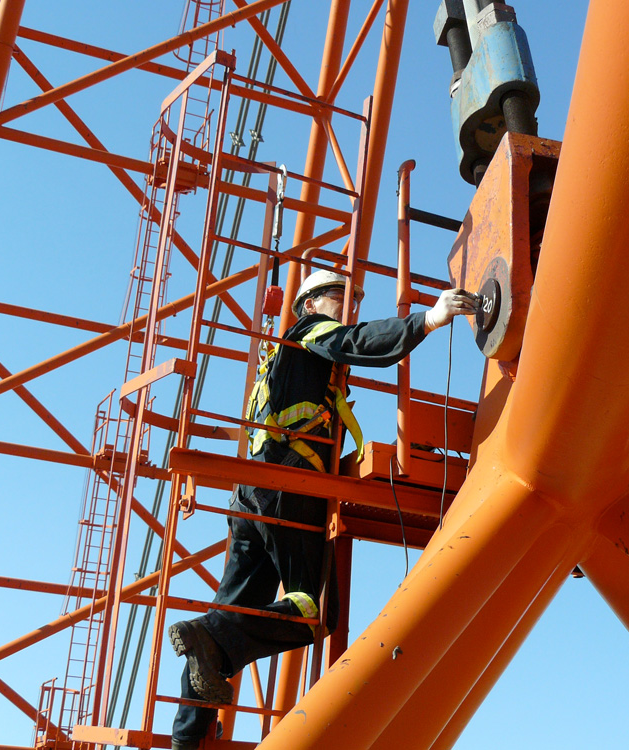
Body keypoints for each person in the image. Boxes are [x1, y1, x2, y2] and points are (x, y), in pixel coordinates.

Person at [169, 270, 479, 749]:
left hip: (253, 493)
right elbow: (358, 341)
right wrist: (429, 320)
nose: (348, 306)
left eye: (352, 299)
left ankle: (187, 739)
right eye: (340, 297)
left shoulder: (276, 362)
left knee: (231, 619)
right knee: (314, 613)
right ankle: (208, 633)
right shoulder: (311, 334)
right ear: (310, 305)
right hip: (289, 486)